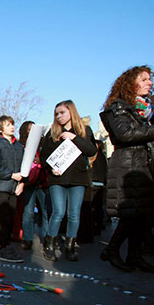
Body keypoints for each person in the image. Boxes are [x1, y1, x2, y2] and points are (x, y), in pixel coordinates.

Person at [99, 65, 154, 273]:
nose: (149, 83)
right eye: (144, 79)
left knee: (142, 214)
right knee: (131, 214)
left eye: (150, 79)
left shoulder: (140, 110)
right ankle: (113, 250)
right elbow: (125, 135)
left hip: (140, 162)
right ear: (129, 84)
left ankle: (134, 255)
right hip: (128, 164)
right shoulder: (118, 107)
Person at [39, 100, 98, 261]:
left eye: (62, 113)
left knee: (74, 214)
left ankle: (70, 246)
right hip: (57, 178)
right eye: (56, 114)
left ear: (71, 112)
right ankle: (49, 244)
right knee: (58, 212)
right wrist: (50, 168)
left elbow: (91, 150)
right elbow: (43, 157)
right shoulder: (52, 133)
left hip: (78, 178)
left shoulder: (84, 131)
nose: (59, 116)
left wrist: (74, 138)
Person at [0, 116, 24, 262]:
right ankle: (4, 247)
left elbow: (24, 166)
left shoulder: (18, 145)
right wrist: (11, 175)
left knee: (11, 217)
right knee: (5, 216)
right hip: (0, 186)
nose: (12, 127)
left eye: (12, 124)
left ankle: (4, 243)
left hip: (15, 187)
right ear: (0, 129)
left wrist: (22, 183)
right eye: (8, 125)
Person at [17, 121, 49, 251]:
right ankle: (27, 239)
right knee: (28, 212)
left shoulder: (43, 146)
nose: (32, 132)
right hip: (28, 183)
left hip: (42, 182)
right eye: (29, 129)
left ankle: (47, 238)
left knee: (45, 212)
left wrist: (40, 160)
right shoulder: (20, 146)